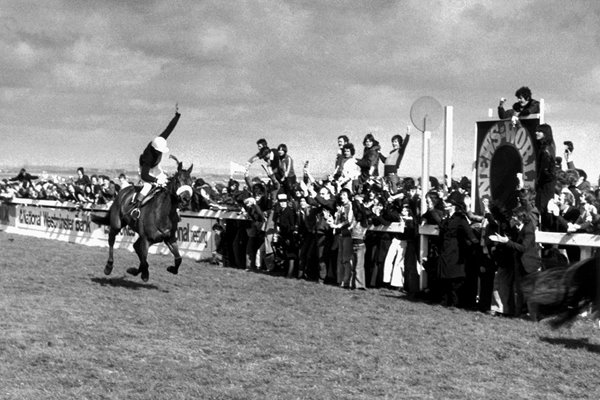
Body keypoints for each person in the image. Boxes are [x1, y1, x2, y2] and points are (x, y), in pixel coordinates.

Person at [130, 105, 181, 218]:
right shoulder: (148, 157)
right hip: (145, 170)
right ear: (155, 149)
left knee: (167, 182)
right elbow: (144, 175)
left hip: (156, 167)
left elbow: (169, 129)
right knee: (148, 186)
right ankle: (136, 208)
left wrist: (177, 117)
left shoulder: (159, 141)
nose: (160, 153)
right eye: (159, 152)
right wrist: (155, 180)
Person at [534, 124, 556, 229]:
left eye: (539, 131)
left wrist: (539, 181)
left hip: (545, 185)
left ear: (545, 133)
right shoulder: (548, 146)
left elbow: (545, 170)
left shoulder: (546, 149)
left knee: (543, 210)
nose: (536, 133)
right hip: (546, 184)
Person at [379, 127, 411, 193]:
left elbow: (405, 143)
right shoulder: (391, 153)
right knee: (386, 192)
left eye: (395, 142)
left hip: (392, 175)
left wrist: (408, 132)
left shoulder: (400, 151)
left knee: (395, 192)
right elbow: (385, 161)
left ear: (399, 143)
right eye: (393, 142)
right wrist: (379, 153)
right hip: (386, 175)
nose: (394, 143)